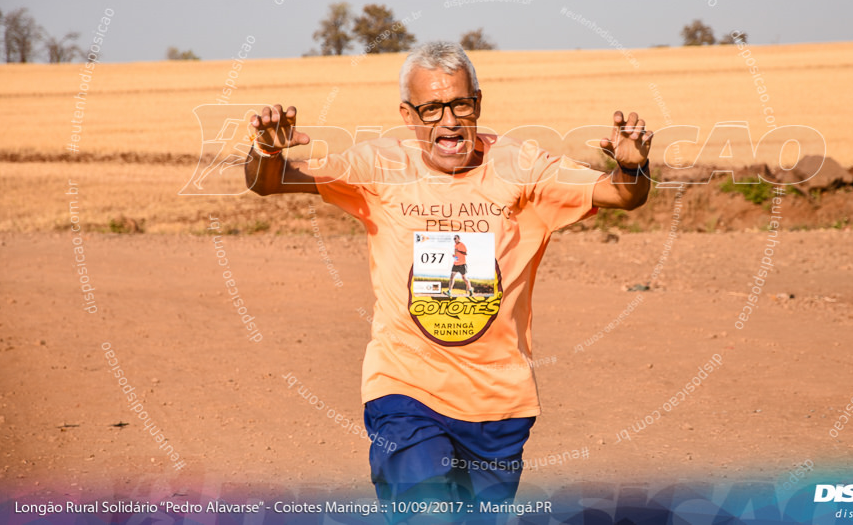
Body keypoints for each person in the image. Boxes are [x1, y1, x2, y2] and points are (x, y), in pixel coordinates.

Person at [245, 41, 653, 519]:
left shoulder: (522, 167)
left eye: (461, 104)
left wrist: (631, 166)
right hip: (404, 390)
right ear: (408, 113)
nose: (449, 120)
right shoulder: (380, 165)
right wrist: (265, 151)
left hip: (499, 404)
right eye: (432, 108)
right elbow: (268, 182)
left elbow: (624, 196)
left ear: (477, 103)